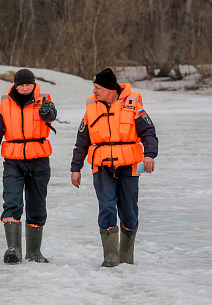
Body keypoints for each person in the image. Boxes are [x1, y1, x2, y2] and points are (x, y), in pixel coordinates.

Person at [70, 68, 158, 267]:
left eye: (98, 88)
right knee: (107, 207)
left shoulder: (133, 105)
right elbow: (81, 141)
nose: (95, 92)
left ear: (110, 89)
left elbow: (149, 132)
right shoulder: (91, 108)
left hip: (129, 165)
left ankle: (126, 255)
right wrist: (76, 168)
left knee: (129, 211)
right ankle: (111, 256)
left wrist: (150, 154)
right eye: (94, 87)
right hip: (101, 167)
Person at [0, 69, 57, 264]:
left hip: (39, 161)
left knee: (37, 206)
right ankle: (13, 249)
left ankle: (34, 252)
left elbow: (52, 116)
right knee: (12, 202)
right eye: (21, 84)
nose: (25, 88)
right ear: (15, 85)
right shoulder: (5, 104)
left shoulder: (44, 99)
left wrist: (47, 111)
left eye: (28, 84)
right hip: (13, 163)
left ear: (34, 84)